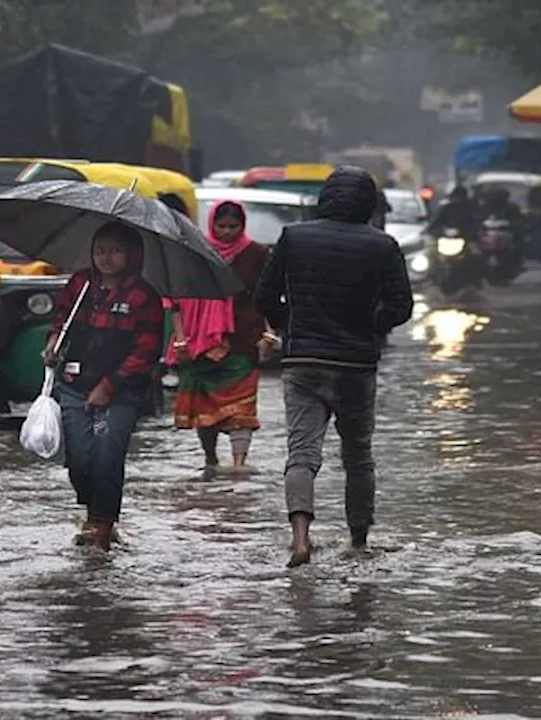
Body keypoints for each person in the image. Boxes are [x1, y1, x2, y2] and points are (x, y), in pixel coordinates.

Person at [255, 166, 413, 568]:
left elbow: (264, 295)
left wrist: (291, 327)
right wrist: (370, 328)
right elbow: (401, 307)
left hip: (303, 361)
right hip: (356, 365)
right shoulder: (383, 246)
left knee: (301, 454)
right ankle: (358, 541)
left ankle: (300, 539)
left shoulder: (294, 238)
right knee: (358, 456)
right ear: (368, 203)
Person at [42, 222, 164, 551]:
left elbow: (145, 354)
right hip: (74, 383)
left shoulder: (145, 297)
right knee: (80, 458)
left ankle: (103, 523)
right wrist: (54, 343)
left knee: (108, 451)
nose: (106, 258)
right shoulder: (80, 284)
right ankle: (92, 509)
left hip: (123, 390)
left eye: (115, 250)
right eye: (100, 250)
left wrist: (109, 387)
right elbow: (61, 321)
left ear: (131, 254)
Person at [166, 200, 273, 472]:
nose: (226, 232)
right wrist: (181, 339)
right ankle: (210, 460)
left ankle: (239, 463)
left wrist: (269, 333)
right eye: (221, 226)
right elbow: (178, 296)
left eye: (233, 227)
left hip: (243, 338)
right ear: (212, 224)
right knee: (205, 410)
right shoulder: (197, 252)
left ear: (242, 226)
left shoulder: (257, 254)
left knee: (242, 408)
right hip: (200, 341)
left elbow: (267, 296)